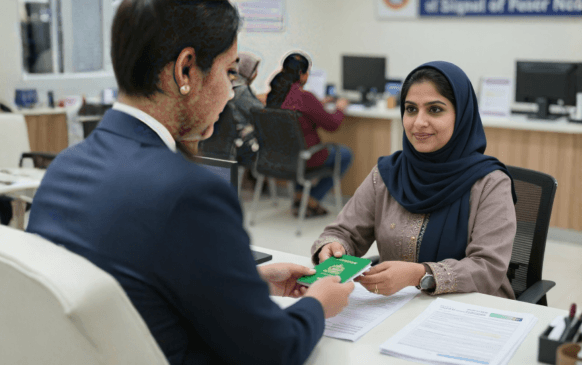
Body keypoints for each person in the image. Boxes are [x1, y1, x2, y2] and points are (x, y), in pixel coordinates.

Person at [26, 1, 354, 364]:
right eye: (229, 73)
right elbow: (273, 349)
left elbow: (133, 283)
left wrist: (246, 280)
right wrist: (318, 305)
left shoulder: (65, 167)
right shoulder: (189, 191)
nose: (232, 93)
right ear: (185, 70)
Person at [311, 61, 517, 299]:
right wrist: (333, 247)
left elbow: (488, 268)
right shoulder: (388, 173)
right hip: (397, 307)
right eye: (410, 109)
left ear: (461, 115)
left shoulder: (490, 183)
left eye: (435, 109)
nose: (418, 122)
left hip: (471, 311)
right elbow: (345, 231)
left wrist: (419, 275)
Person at [266, 53, 352, 217]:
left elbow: (299, 108)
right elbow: (332, 125)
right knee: (345, 154)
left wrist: (319, 104)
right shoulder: (305, 97)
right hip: (306, 157)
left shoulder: (274, 95)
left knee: (297, 150)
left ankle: (300, 197)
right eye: (307, 73)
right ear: (302, 74)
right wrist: (340, 108)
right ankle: (311, 197)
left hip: (279, 157)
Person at [199, 51, 263, 165]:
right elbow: (261, 113)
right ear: (248, 70)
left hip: (214, 144)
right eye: (255, 70)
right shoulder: (242, 90)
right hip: (237, 143)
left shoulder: (226, 85)